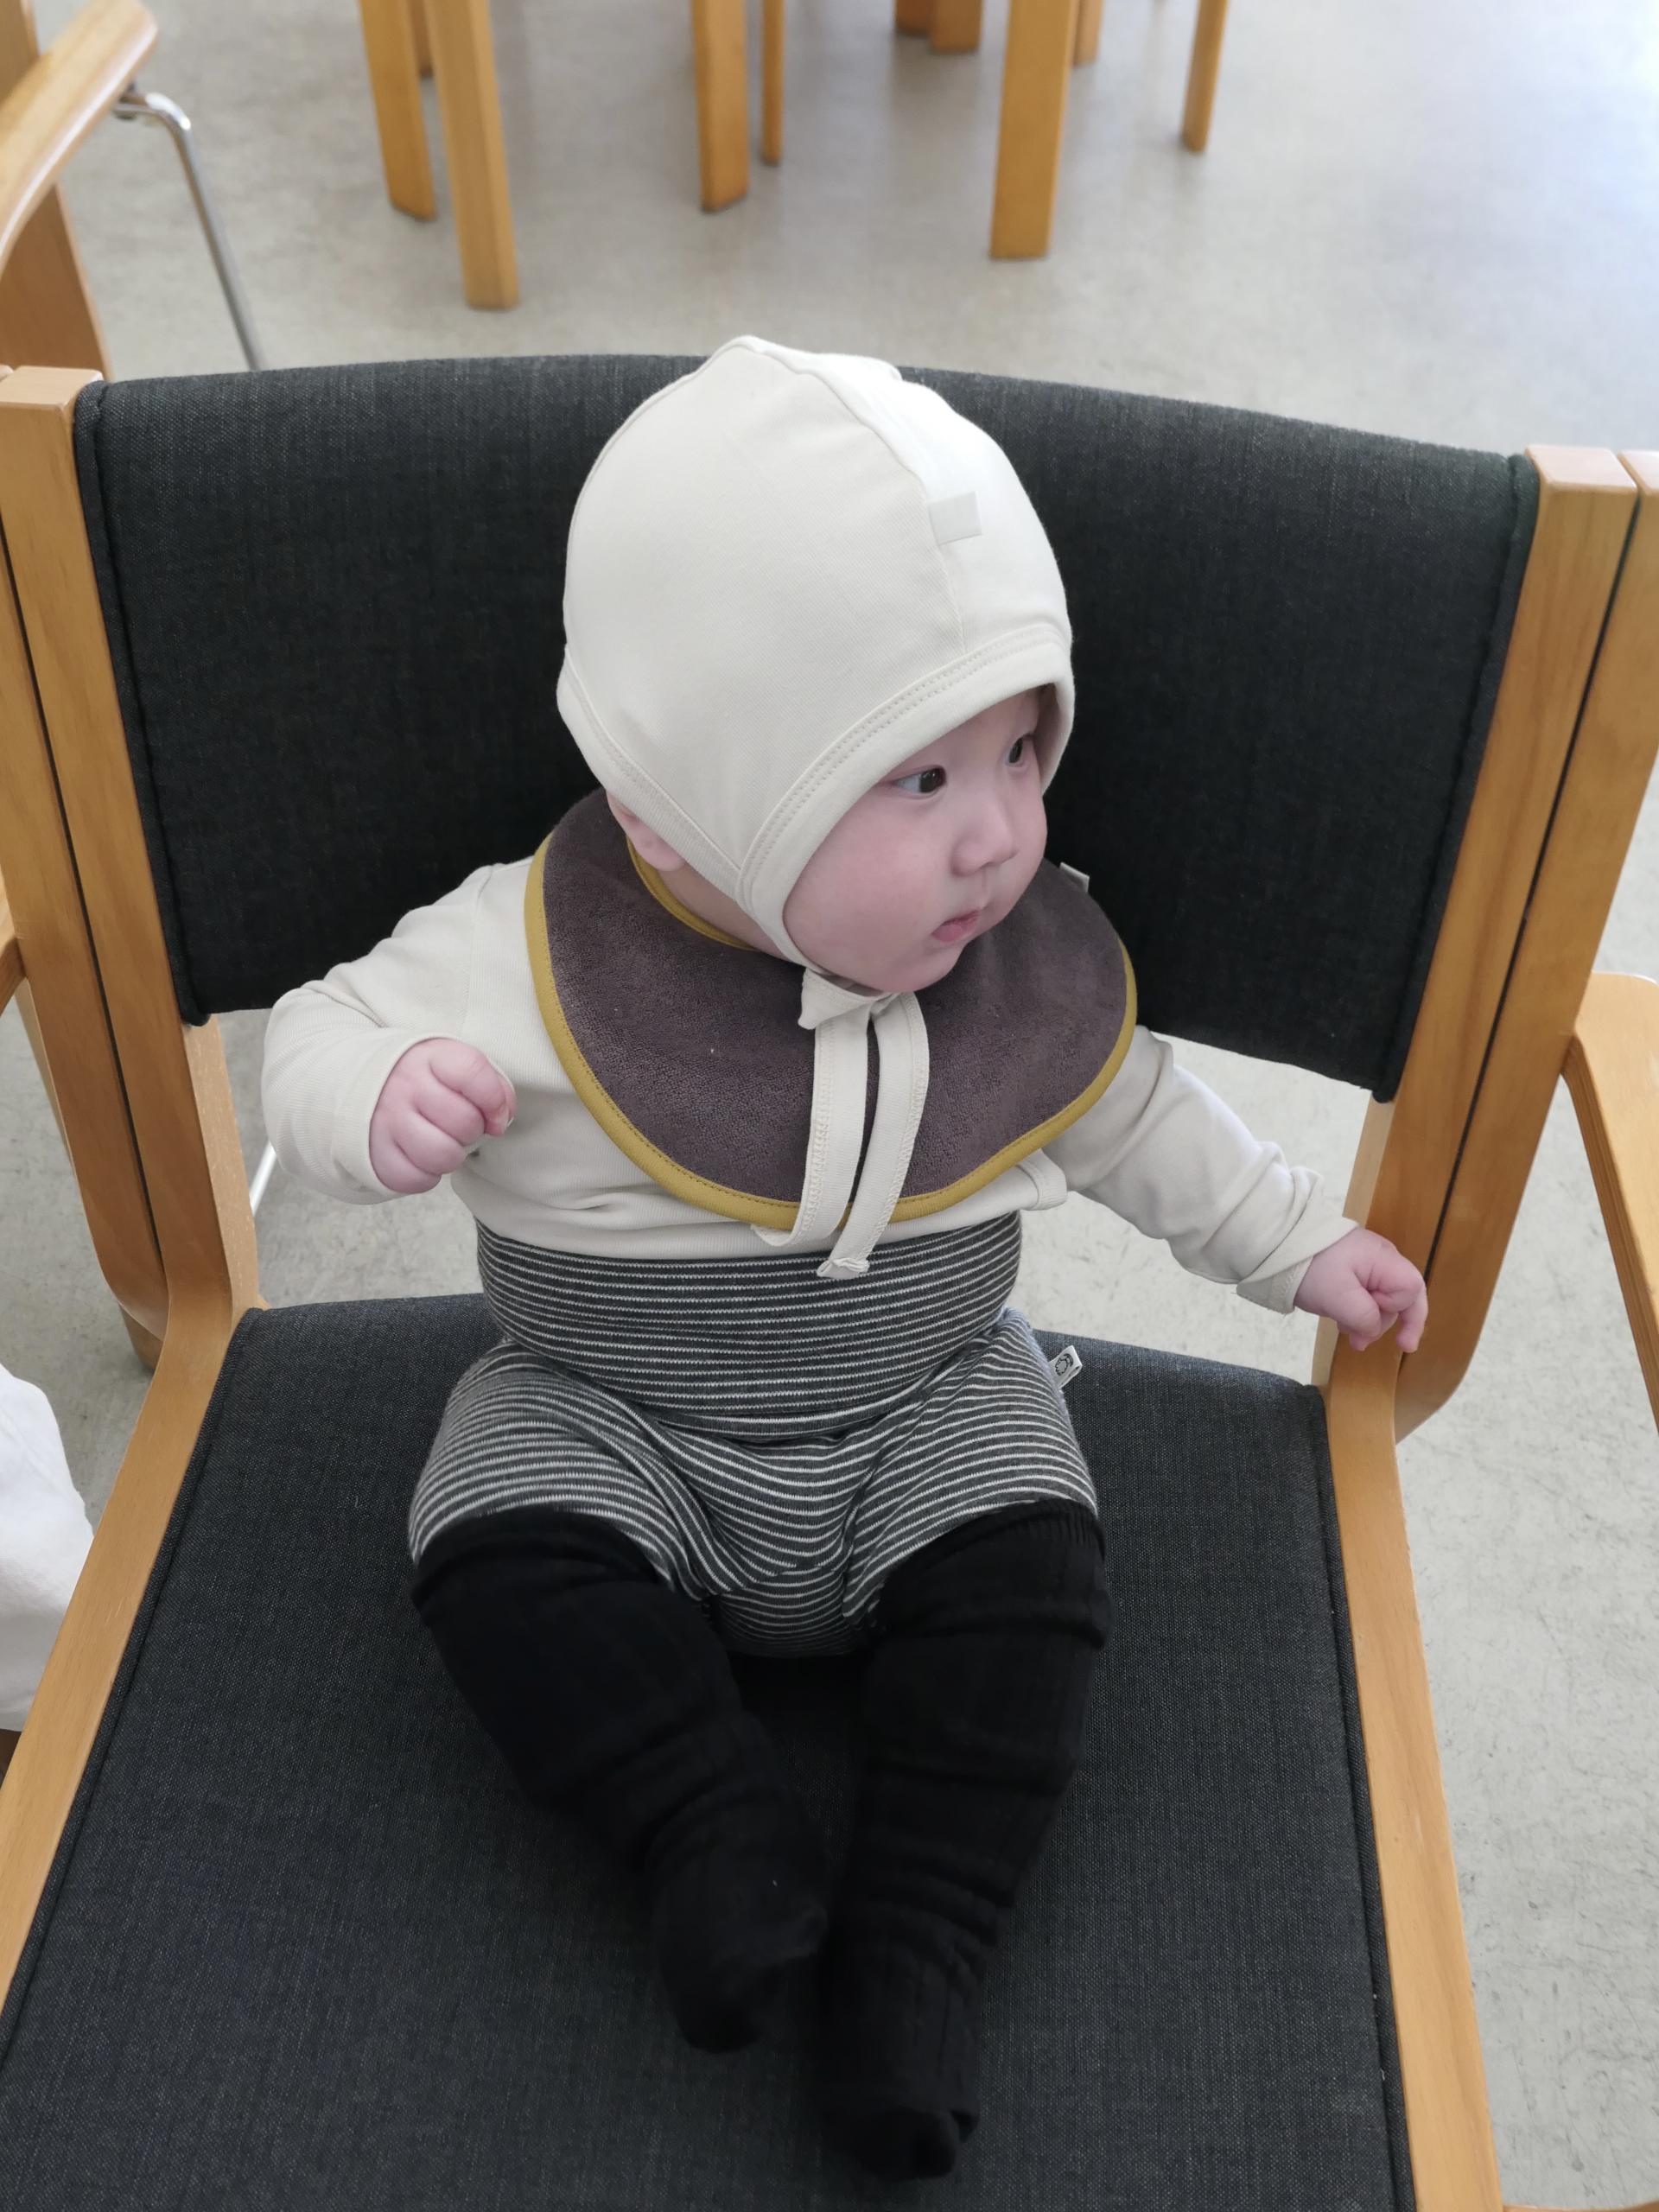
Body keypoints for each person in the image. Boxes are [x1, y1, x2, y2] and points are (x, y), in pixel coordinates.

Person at [262, 335, 1427, 2183]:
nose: (999, 834)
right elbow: (317, 1030)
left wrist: (1303, 1240)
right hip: (610, 1413)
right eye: (918, 777)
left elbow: (1138, 1113)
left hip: (927, 1407)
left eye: (1023, 750)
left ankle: (920, 1944)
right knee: (491, 1544)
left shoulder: (1018, 960)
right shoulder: (520, 956)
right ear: (681, 804)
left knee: (1039, 1574)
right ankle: (700, 1835)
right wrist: (378, 1096)